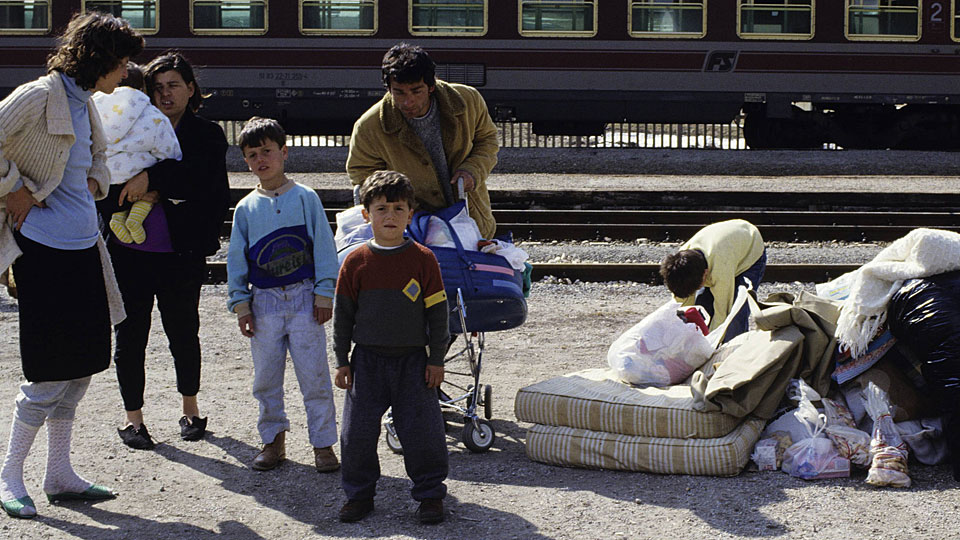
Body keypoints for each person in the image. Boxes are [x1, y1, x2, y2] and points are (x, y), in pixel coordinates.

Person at [0, 12, 143, 519]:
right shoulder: (40, 94)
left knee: (81, 367)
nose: (125, 73)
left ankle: (58, 475)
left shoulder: (84, 104)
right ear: (99, 60)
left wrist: (93, 186)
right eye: (122, 63)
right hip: (42, 250)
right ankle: (9, 475)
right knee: (46, 371)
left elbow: (93, 162)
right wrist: (12, 187)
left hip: (83, 247)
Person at [103, 52, 230, 450]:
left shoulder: (207, 135)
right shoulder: (124, 129)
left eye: (173, 84)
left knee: (183, 331)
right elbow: (106, 180)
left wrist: (152, 181)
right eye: (157, 87)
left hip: (181, 251)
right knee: (130, 334)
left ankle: (190, 411)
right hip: (128, 251)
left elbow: (204, 184)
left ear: (191, 89)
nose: (165, 93)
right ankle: (133, 419)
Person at [333, 170, 450, 524]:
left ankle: (430, 496)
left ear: (410, 213)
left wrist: (436, 359)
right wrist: (341, 360)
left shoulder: (423, 259)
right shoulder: (355, 261)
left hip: (413, 364)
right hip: (367, 362)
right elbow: (343, 316)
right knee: (356, 434)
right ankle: (359, 496)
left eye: (398, 208)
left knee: (424, 433)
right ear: (366, 213)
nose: (390, 216)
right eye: (381, 208)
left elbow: (438, 315)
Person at [226, 117, 340, 473]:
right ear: (245, 161)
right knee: (266, 377)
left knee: (315, 375)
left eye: (267, 151)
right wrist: (241, 303)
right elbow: (236, 259)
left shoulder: (305, 198)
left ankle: (323, 444)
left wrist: (324, 293)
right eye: (252, 154)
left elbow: (323, 247)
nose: (261, 160)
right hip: (265, 304)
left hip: (304, 298)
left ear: (284, 152)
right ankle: (272, 439)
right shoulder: (245, 208)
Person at [346, 42, 500, 239]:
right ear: (388, 88)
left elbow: (487, 139)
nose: (408, 101)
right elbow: (362, 174)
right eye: (399, 92)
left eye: (416, 91)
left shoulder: (467, 100)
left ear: (431, 87)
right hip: (411, 232)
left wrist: (473, 170)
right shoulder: (370, 126)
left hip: (470, 221)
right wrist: (398, 202)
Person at [93, 61, 182, 244]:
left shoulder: (94, 109)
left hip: (107, 176)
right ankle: (135, 218)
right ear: (142, 88)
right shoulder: (153, 117)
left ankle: (117, 216)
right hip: (139, 173)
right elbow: (170, 154)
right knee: (149, 191)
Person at [659, 219, 766, 342]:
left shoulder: (720, 270)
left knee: (735, 317)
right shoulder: (680, 262)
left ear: (705, 275)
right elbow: (682, 304)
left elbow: (722, 313)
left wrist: (710, 347)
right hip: (727, 244)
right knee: (702, 307)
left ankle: (733, 354)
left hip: (750, 248)